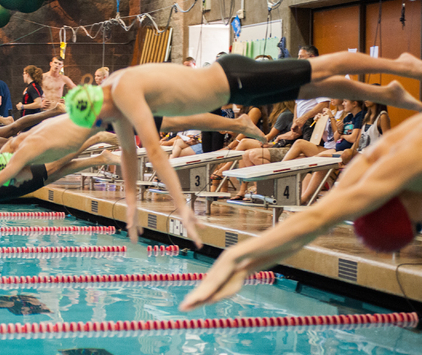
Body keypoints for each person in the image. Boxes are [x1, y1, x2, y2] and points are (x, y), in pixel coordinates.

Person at [63, 50, 422, 248]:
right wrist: (129, 210)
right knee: (312, 89)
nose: (106, 125)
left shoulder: (122, 89)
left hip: (233, 77)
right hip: (234, 91)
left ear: (99, 101)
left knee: (322, 68)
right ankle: (384, 93)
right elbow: (129, 155)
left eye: (101, 120)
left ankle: (398, 64)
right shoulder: (115, 110)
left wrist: (184, 212)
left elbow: (154, 152)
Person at [179, 111, 422, 312]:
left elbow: (316, 220)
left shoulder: (403, 164)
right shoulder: (378, 173)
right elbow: (312, 223)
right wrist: (240, 263)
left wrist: (236, 259)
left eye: (417, 225)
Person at [0, 112, 266, 237]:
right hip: (102, 121)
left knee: (179, 122)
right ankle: (237, 123)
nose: (19, 181)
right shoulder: (21, 148)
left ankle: (238, 123)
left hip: (112, 114)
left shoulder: (22, 153)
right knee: (178, 121)